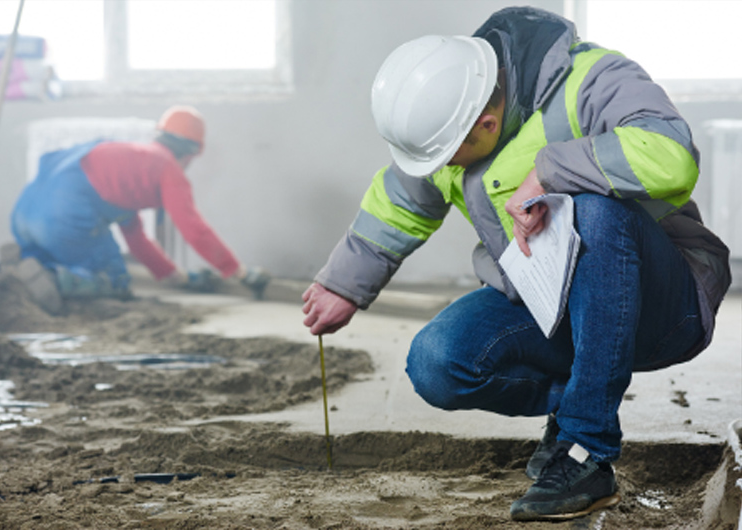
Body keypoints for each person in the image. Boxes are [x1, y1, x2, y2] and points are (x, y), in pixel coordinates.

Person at [302, 6, 731, 522]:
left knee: (590, 209)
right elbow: (400, 200)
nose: (441, 170)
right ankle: (581, 396)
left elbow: (672, 153)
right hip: (553, 302)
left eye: (448, 157)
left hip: (664, 305)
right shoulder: (451, 122)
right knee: (438, 362)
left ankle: (584, 448)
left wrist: (551, 172)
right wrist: (343, 285)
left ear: (486, 123)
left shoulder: (591, 79)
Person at [10, 105, 269, 300]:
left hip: (25, 213)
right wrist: (239, 272)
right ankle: (57, 283)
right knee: (115, 280)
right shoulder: (167, 168)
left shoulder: (131, 161)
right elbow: (194, 229)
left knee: (41, 259)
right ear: (190, 154)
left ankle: (14, 273)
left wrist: (175, 277)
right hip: (62, 215)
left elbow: (135, 236)